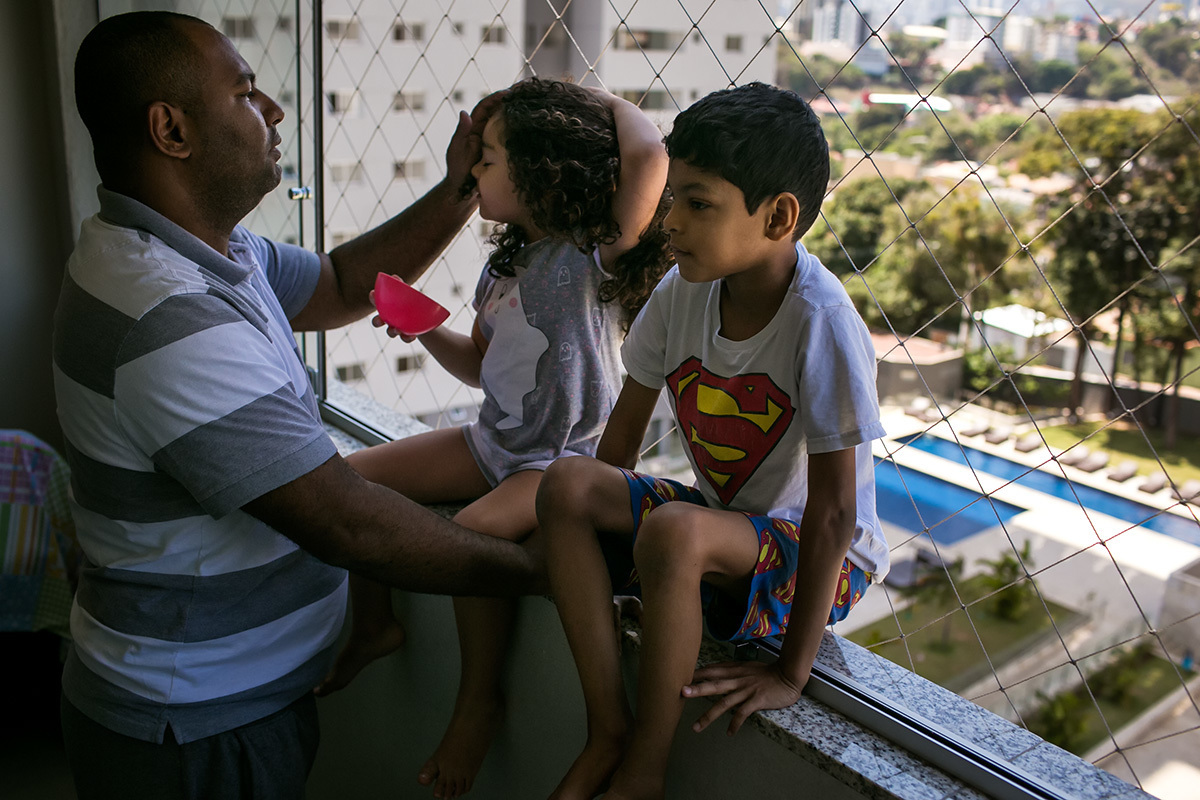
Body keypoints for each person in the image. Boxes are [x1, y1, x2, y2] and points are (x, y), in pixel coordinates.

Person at [54, 11, 545, 800]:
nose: (274, 111)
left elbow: (344, 284)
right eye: (246, 93)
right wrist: (548, 574)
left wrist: (464, 187)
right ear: (171, 131)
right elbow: (346, 521)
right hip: (192, 730)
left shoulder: (208, 249)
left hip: (219, 705)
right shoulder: (164, 315)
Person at [315, 77, 671, 799]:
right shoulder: (503, 268)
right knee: (350, 478)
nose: (473, 168)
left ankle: (478, 702)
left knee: (471, 535)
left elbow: (647, 154)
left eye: (490, 156)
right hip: (491, 443)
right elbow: (480, 367)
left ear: (544, 169)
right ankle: (374, 626)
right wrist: (424, 329)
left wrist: (571, 94)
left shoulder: (592, 255)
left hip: (558, 464)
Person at [536, 82, 891, 800]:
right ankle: (607, 726)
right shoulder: (683, 290)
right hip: (726, 527)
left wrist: (790, 673)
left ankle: (644, 769)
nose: (669, 221)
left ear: (778, 217)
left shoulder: (821, 321)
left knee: (674, 532)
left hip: (818, 559)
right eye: (672, 198)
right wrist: (606, 545)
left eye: (698, 204)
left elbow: (833, 515)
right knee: (566, 484)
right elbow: (619, 446)